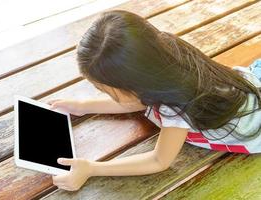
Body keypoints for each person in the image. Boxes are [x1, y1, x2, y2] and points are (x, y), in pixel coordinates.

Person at [46, 10, 261, 191]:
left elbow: (159, 160)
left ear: (137, 84)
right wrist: (83, 107)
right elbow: (133, 100)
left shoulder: (177, 108)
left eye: (107, 91)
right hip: (248, 84)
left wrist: (92, 168)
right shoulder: (165, 56)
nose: (105, 94)